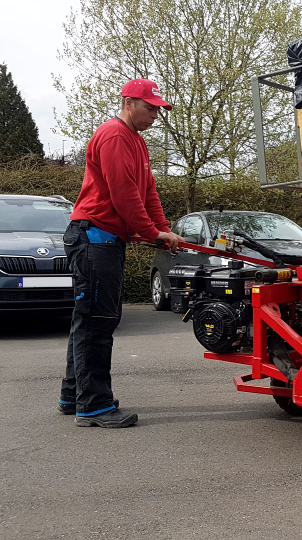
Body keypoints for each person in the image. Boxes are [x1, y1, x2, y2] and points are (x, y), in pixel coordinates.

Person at [59, 79, 184, 428]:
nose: (155, 115)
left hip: (105, 239)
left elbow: (147, 193)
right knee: (97, 321)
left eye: (159, 109)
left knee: (89, 318)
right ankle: (94, 406)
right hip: (94, 237)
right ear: (129, 103)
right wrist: (150, 232)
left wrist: (162, 229)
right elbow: (123, 195)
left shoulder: (137, 143)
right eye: (150, 107)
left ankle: (74, 394)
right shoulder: (114, 135)